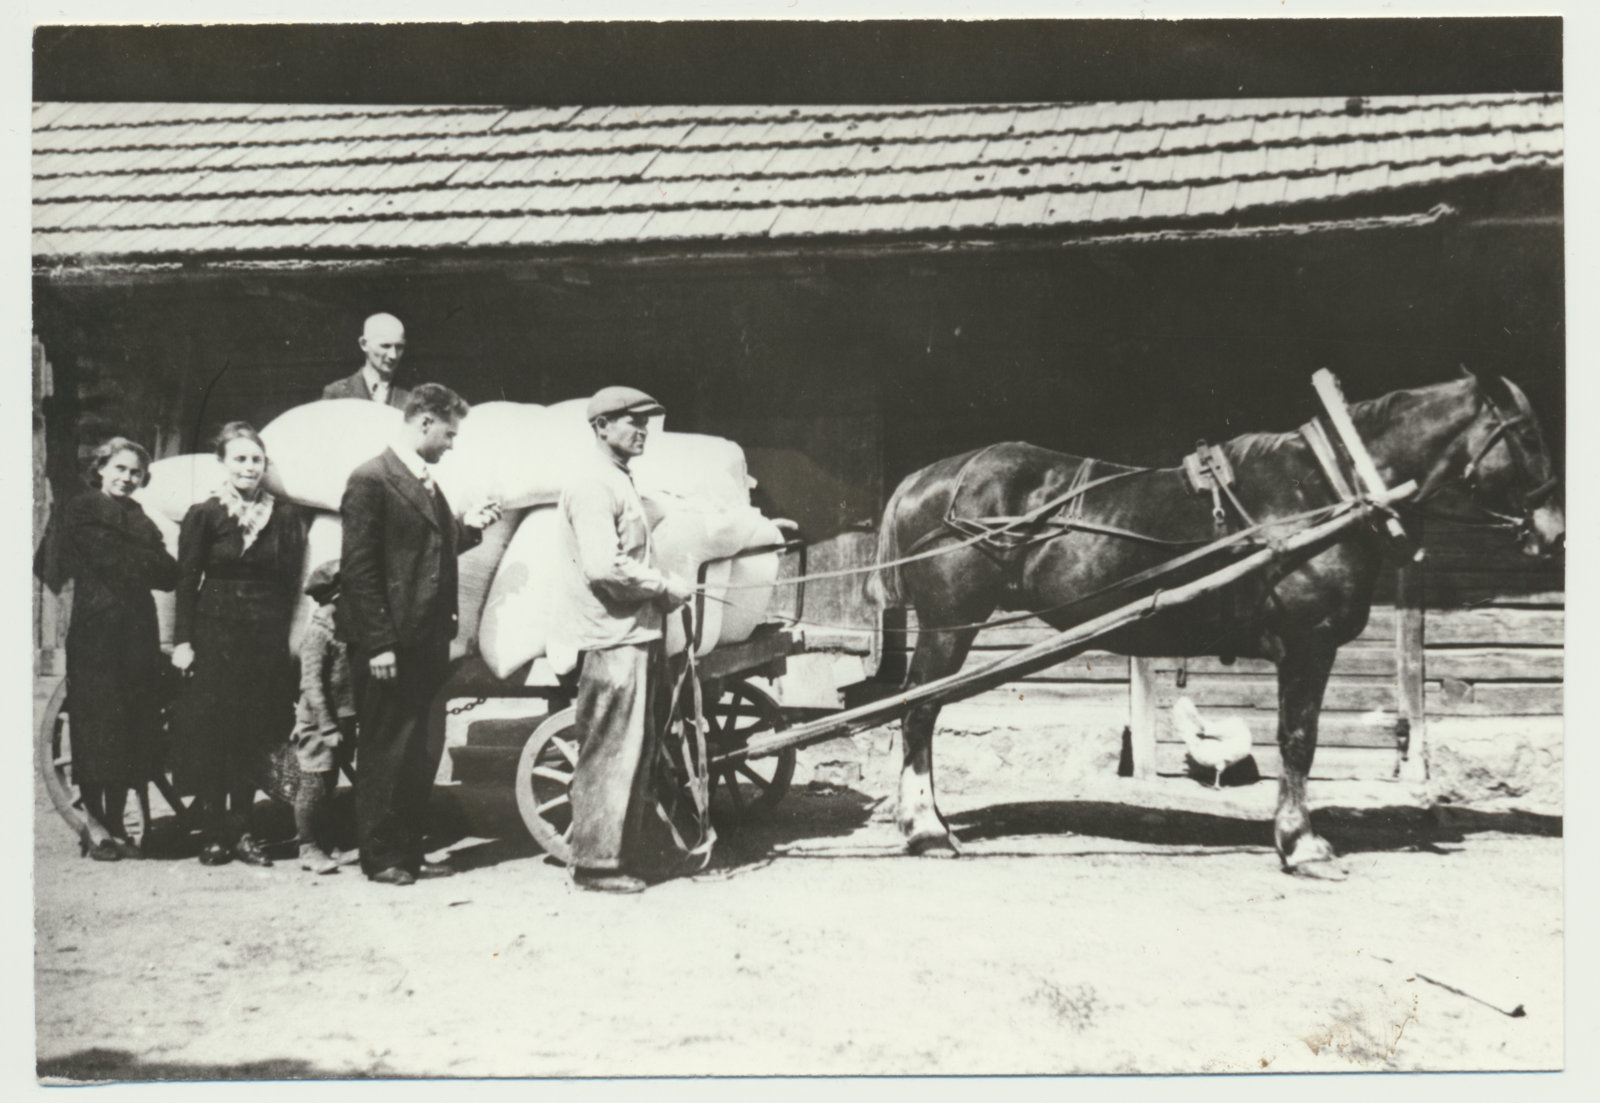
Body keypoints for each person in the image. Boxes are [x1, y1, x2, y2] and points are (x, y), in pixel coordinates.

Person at [337, 383, 502, 886]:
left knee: (421, 751)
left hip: (427, 641)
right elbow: (359, 571)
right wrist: (380, 643)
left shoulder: (427, 483)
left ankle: (409, 851)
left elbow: (426, 554)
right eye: (449, 433)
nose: (452, 443)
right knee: (387, 751)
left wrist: (468, 528)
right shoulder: (370, 479)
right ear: (425, 422)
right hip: (392, 644)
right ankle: (381, 856)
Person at [555, 386, 698, 894]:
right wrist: (664, 586)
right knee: (612, 748)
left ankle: (624, 854)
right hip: (613, 636)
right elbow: (603, 566)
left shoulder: (619, 481)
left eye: (646, 423)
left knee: (636, 748)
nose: (642, 431)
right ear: (601, 427)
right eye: (631, 421)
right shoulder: (595, 486)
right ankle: (596, 865)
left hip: (636, 632)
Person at [171, 422, 306, 867]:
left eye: (256, 460)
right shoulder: (205, 514)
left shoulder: (284, 517)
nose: (249, 468)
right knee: (214, 733)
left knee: (254, 733)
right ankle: (213, 833)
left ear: (265, 466)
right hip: (215, 636)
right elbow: (187, 582)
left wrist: (287, 642)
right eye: (240, 459)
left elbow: (291, 584)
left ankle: (244, 831)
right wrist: (184, 641)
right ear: (224, 464)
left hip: (263, 640)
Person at [38, 438, 178, 861]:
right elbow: (111, 561)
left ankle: (116, 822)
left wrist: (134, 555)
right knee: (98, 726)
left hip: (138, 632)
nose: (126, 478)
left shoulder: (138, 514)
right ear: (100, 468)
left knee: (133, 727)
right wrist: (141, 556)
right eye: (119, 468)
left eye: (135, 472)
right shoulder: (80, 509)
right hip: (97, 632)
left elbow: (168, 572)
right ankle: (96, 827)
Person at [291, 560, 357, 875]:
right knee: (314, 784)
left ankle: (328, 844)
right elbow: (311, 684)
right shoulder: (318, 633)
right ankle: (308, 847)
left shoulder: (344, 628)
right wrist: (328, 726)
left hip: (340, 719)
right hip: (318, 722)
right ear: (336, 598)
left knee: (328, 783)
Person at [322, 312, 413, 408]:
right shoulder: (337, 393)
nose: (393, 355)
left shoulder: (413, 394)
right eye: (385, 346)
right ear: (364, 344)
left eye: (399, 347)